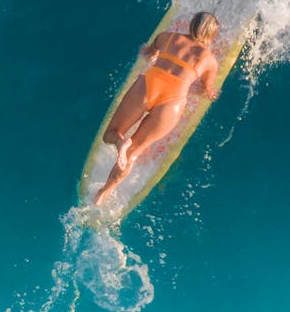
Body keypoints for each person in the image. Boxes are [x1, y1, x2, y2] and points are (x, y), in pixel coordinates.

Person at [93, 11, 220, 206]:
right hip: (173, 100)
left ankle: (120, 143)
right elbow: (206, 90)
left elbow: (147, 53)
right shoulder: (210, 61)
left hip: (148, 85)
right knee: (134, 153)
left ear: (191, 24)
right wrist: (211, 94)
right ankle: (103, 194)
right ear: (211, 35)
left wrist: (153, 56)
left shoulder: (166, 37)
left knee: (111, 133)